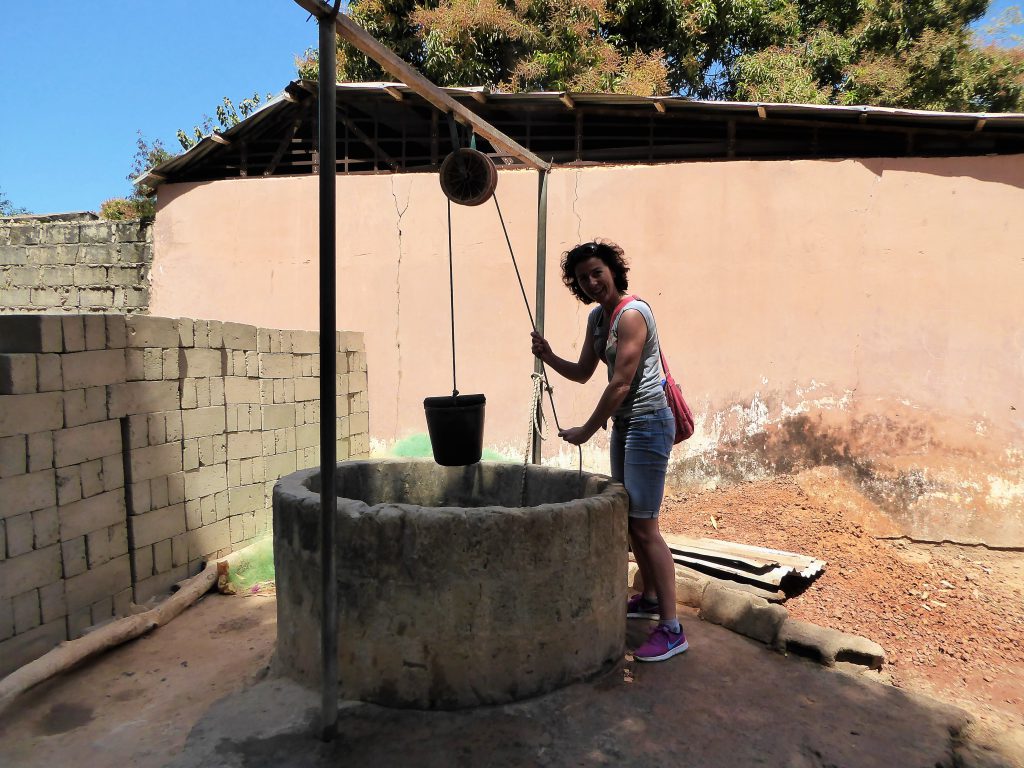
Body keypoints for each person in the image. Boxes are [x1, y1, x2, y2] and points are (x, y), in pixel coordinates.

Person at [530, 240, 687, 662]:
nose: (592, 282)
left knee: (644, 524)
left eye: (597, 272)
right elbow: (584, 373)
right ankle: (651, 597)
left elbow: (620, 383)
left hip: (649, 422)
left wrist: (587, 429)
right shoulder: (598, 319)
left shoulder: (632, 315)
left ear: (614, 271)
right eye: (583, 278)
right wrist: (548, 357)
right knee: (628, 512)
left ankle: (672, 629)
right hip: (625, 424)